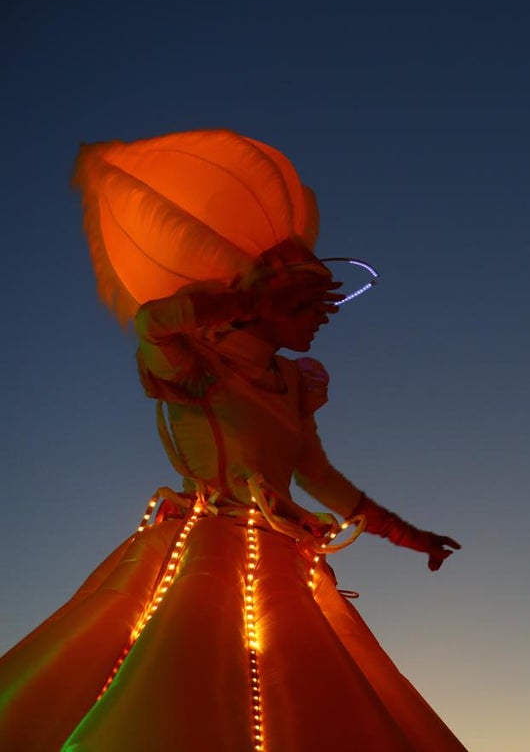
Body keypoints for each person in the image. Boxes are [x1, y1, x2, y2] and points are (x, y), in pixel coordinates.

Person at [0, 131, 467, 752]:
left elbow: (318, 476)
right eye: (308, 302)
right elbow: (150, 323)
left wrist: (407, 536)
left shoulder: (293, 384)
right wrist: (245, 293)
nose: (324, 314)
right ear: (267, 305)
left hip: (284, 559)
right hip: (203, 543)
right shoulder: (196, 366)